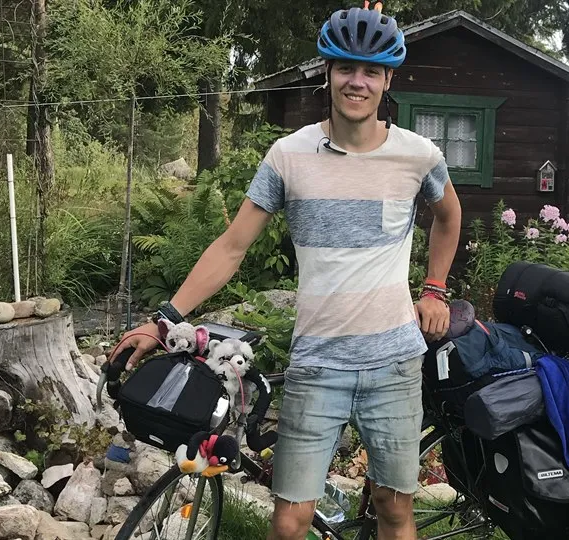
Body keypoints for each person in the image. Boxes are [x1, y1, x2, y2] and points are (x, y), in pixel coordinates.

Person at [110, 3, 462, 539]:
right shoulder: (288, 155)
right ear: (328, 72)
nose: (357, 82)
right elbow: (231, 247)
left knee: (394, 511)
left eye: (371, 71)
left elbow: (449, 216)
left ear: (388, 78)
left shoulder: (418, 156)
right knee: (290, 522)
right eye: (346, 67)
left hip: (393, 364)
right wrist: (165, 320)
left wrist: (434, 288)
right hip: (317, 363)